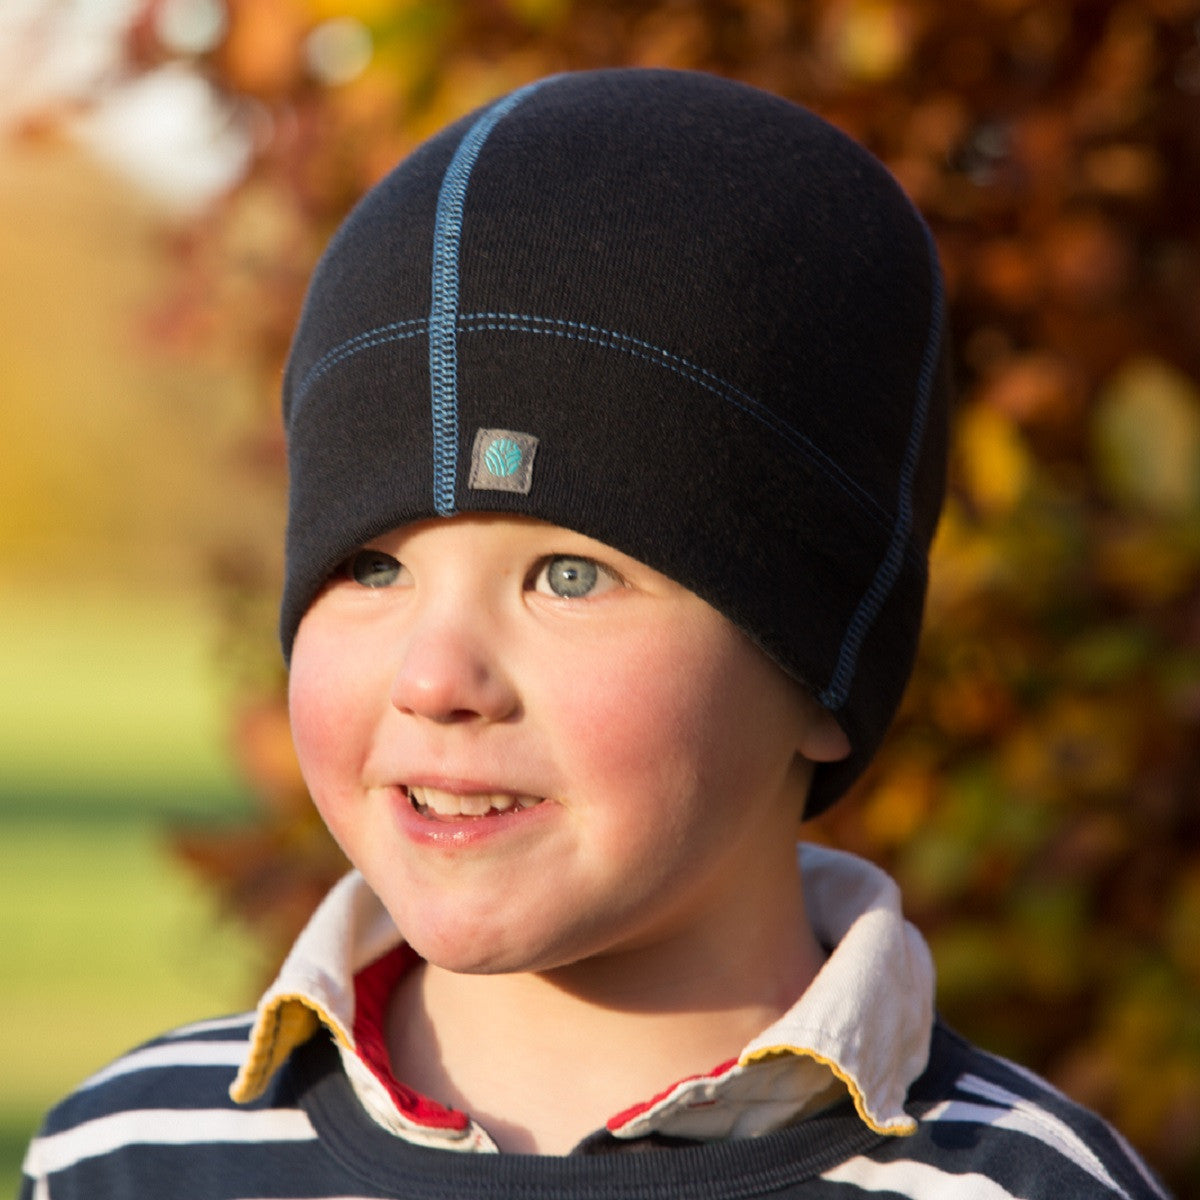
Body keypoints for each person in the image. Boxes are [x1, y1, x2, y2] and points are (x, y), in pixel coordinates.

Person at [21, 68, 1170, 1199]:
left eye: (570, 576)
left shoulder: (1020, 1185)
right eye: (373, 566)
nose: (435, 677)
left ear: (821, 660)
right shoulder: (129, 1159)